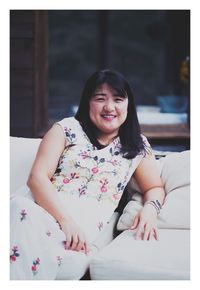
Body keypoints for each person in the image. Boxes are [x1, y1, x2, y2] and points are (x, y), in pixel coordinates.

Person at [10, 69, 165, 280]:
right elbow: (37, 178)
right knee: (18, 208)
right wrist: (66, 222)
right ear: (87, 103)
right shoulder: (66, 129)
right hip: (40, 212)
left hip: (84, 225)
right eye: (100, 98)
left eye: (118, 99)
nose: (109, 107)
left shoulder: (137, 145)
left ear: (128, 105)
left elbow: (154, 187)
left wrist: (150, 209)